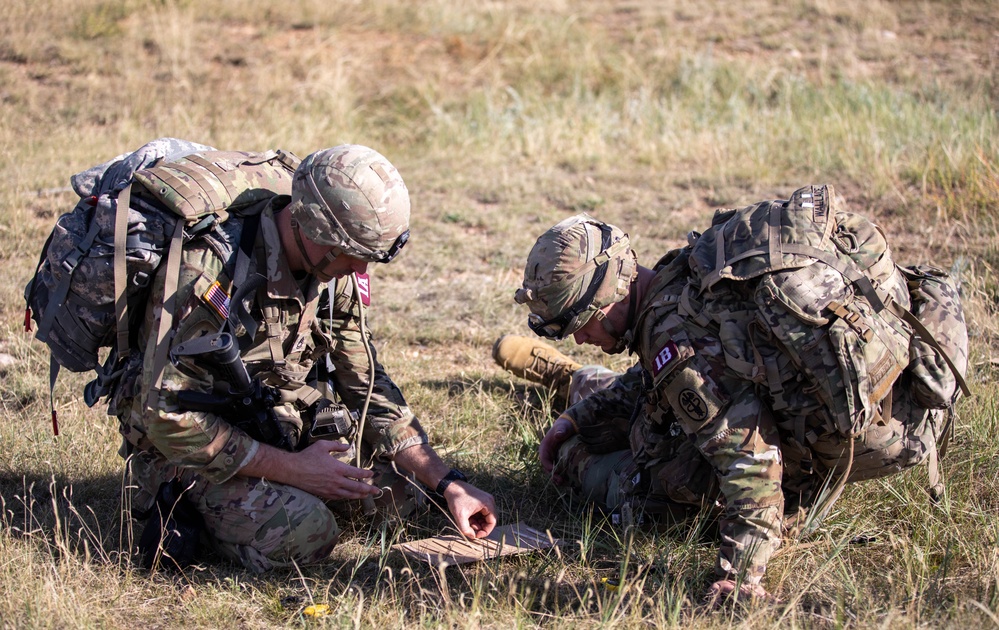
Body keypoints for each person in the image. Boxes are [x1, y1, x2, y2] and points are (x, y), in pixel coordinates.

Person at [497, 185, 967, 602]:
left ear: (615, 294)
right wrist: (578, 418)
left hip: (876, 436)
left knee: (642, 489)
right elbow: (699, 377)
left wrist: (741, 575)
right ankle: (577, 385)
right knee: (658, 395)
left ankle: (577, 382)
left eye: (584, 324)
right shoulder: (693, 270)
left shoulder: (673, 340)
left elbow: (749, 459)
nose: (581, 334)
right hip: (914, 399)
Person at [115, 144, 496, 571]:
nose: (361, 270)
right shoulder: (210, 271)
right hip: (186, 449)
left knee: (404, 494)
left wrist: (447, 483)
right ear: (316, 230)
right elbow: (164, 415)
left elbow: (366, 381)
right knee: (309, 531)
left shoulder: (337, 270)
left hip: (276, 424)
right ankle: (182, 512)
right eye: (355, 254)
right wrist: (295, 471)